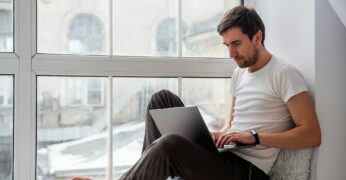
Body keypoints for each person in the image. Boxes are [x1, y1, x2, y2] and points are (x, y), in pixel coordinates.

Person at [72, 5, 321, 180]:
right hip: (226, 156)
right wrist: (210, 135)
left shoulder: (284, 73)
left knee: (169, 144)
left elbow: (311, 135)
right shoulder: (240, 74)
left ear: (257, 37)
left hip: (247, 171)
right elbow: (229, 127)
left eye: (237, 44)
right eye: (227, 46)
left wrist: (254, 137)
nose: (231, 54)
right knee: (161, 99)